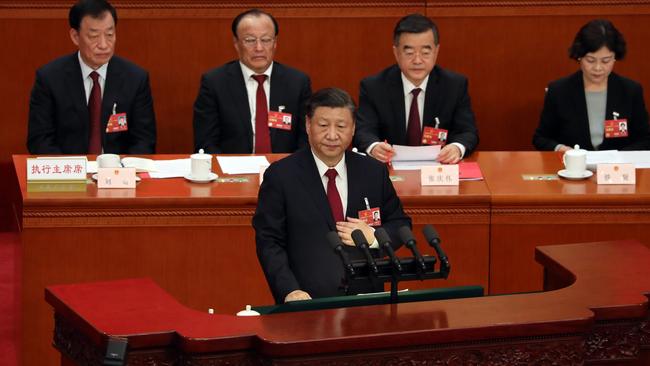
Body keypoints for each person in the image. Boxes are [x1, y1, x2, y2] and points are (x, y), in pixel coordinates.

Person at [253, 88, 411, 303]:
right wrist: (289, 290)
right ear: (308, 125)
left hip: (367, 302)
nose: (332, 135)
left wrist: (374, 238)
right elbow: (269, 241)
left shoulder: (373, 172)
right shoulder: (281, 176)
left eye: (341, 126)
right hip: (306, 301)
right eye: (323, 125)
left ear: (353, 128)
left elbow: (401, 225)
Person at [27, 0, 156, 155]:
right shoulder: (49, 78)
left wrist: (121, 172)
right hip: (69, 173)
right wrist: (73, 174)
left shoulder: (135, 79)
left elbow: (144, 140)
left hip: (118, 174)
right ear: (75, 36)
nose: (103, 44)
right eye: (94, 36)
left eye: (109, 34)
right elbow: (40, 140)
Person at [354, 13, 479, 164]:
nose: (418, 60)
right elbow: (363, 131)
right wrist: (374, 147)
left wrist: (456, 148)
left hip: (438, 169)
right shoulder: (374, 87)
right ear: (396, 53)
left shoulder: (454, 85)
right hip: (388, 169)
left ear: (436, 51)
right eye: (409, 53)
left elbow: (468, 132)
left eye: (425, 52)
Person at [193, 9, 311, 154]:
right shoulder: (215, 83)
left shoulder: (297, 82)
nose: (259, 48)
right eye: (250, 40)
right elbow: (206, 142)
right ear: (236, 44)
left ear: (275, 43)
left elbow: (306, 138)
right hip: (233, 171)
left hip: (286, 169)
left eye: (266, 40)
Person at [533, 19, 650, 151]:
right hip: (574, 169)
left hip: (617, 169)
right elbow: (540, 138)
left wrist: (619, 158)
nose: (598, 68)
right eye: (590, 60)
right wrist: (561, 149)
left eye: (606, 61)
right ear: (579, 57)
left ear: (615, 57)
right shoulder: (559, 91)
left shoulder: (630, 91)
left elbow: (645, 139)